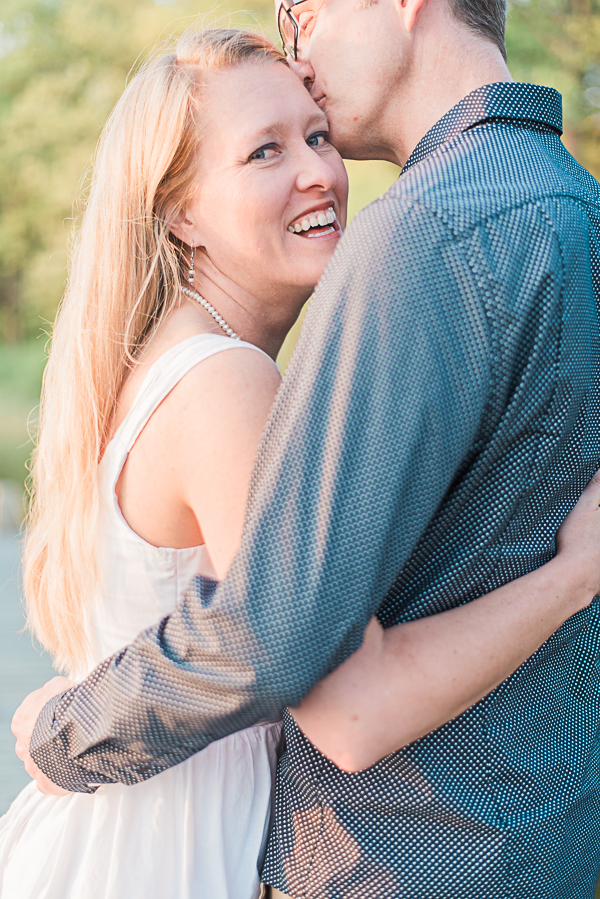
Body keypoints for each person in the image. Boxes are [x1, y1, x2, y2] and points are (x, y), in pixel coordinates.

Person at [10, 0, 600, 893]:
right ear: (180, 217)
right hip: (173, 844)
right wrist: (572, 575)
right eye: (265, 152)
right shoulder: (227, 386)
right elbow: (348, 704)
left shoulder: (202, 362)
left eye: (317, 136)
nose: (320, 173)